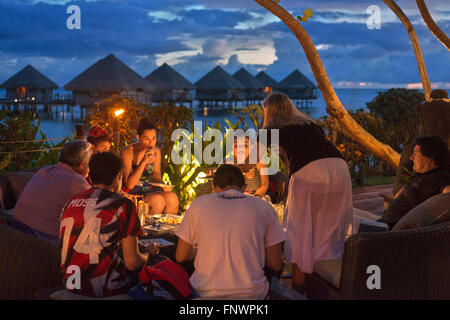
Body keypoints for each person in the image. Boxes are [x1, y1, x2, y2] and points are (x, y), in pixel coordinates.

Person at [262, 93, 353, 292]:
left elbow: (251, 157)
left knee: (299, 231)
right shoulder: (310, 125)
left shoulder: (272, 129)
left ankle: (298, 290)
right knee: (329, 224)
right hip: (338, 168)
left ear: (269, 111)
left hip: (309, 171)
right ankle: (321, 276)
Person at [175, 164, 285, 299]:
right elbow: (276, 263)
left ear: (214, 188)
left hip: (205, 293)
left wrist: (207, 248)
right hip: (252, 294)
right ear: (244, 187)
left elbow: (180, 256)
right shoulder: (264, 207)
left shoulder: (198, 204)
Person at [59, 152, 159, 297]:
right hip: (107, 288)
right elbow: (132, 262)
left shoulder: (71, 202)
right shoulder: (122, 204)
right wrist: (148, 253)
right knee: (161, 265)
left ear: (91, 177)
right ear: (118, 177)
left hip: (72, 285)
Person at [13, 140, 92, 244]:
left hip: (15, 230)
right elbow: (97, 207)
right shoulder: (77, 182)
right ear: (82, 164)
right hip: (42, 240)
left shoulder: (45, 170)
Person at [382, 136, 450, 229]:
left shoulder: (441, 178)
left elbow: (447, 198)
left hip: (392, 233)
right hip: (382, 224)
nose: (411, 157)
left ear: (431, 157)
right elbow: (398, 195)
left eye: (416, 154)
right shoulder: (419, 174)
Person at [121, 118, 179, 215]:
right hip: (130, 193)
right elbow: (129, 185)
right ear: (138, 137)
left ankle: (167, 229)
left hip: (147, 190)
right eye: (146, 139)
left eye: (154, 138)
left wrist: (163, 186)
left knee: (172, 198)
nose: (151, 142)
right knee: (158, 201)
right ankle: (145, 229)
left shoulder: (156, 151)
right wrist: (144, 161)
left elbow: (156, 176)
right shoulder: (127, 152)